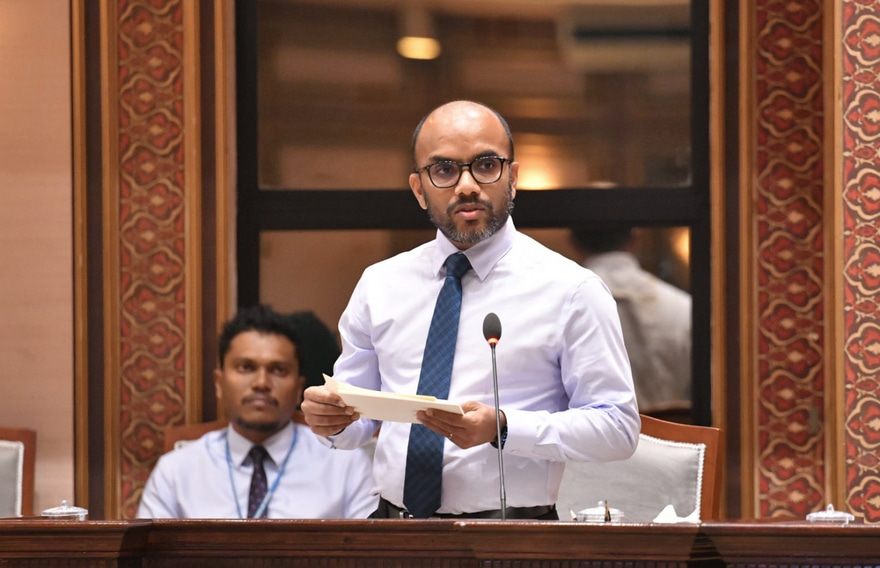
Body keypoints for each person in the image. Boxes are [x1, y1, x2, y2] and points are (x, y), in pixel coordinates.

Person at [301, 100, 640, 519]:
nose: (466, 185)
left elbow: (617, 427)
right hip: (394, 527)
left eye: (485, 165)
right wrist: (332, 421)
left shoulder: (572, 290)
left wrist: (504, 427)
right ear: (418, 189)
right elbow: (359, 418)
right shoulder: (380, 284)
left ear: (513, 179)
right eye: (444, 170)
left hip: (513, 534)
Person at [137, 305, 378, 519]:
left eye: (278, 370)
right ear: (219, 383)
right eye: (246, 367)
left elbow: (370, 550)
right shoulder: (176, 471)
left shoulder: (347, 466)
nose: (261, 383)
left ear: (299, 389)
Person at [570, 226, 692, 419]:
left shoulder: (559, 305)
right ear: (636, 237)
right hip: (674, 435)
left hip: (592, 436)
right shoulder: (684, 307)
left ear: (573, 242)